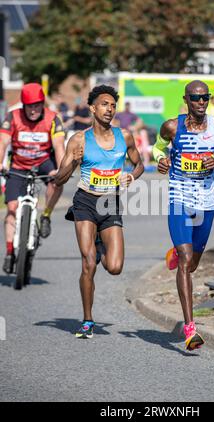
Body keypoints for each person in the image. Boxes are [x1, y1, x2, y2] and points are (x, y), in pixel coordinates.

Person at [152, 80, 214, 350]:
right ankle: (191, 330)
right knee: (186, 259)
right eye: (196, 98)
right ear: (186, 99)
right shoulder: (171, 126)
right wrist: (161, 159)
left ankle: (176, 255)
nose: (201, 102)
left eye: (205, 98)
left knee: (192, 264)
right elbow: (158, 148)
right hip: (180, 197)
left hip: (206, 201)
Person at [55, 85, 144, 339]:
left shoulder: (124, 136)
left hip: (110, 203)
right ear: (93, 108)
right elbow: (60, 180)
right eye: (104, 104)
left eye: (113, 105)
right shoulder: (80, 140)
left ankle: (98, 242)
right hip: (85, 202)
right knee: (88, 264)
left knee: (114, 267)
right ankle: (87, 320)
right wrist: (73, 161)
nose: (110, 109)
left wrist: (130, 176)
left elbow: (139, 164)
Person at [0, 82, 65, 274]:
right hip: (19, 164)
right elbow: (2, 142)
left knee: (57, 181)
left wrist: (61, 170)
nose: (34, 110)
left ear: (42, 103)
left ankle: (46, 216)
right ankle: (10, 252)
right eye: (30, 106)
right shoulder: (12, 117)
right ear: (23, 105)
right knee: (11, 209)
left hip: (44, 161)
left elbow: (59, 146)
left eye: (37, 105)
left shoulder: (53, 119)